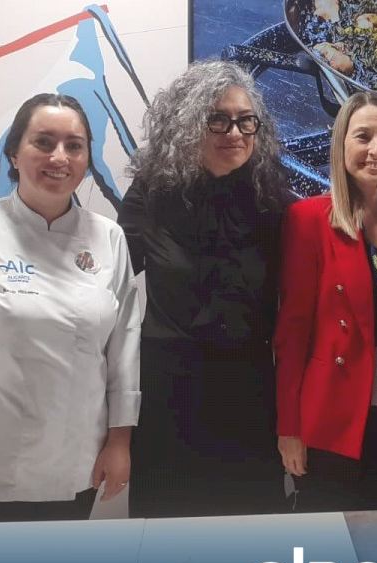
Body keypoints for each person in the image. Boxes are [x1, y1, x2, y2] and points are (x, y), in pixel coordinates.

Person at [0, 93, 140, 523]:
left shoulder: (108, 238)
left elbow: (123, 350)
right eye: (43, 142)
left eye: (74, 145)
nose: (60, 157)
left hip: (76, 462)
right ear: (14, 153)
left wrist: (119, 442)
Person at [118, 60, 291, 517]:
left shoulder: (272, 197)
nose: (234, 132)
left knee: (251, 538)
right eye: (218, 119)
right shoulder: (152, 194)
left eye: (245, 120)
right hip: (168, 395)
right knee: (165, 537)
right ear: (187, 123)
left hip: (249, 393)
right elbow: (102, 286)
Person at [274, 93, 377, 513]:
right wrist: (289, 428)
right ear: (341, 143)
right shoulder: (308, 220)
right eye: (363, 137)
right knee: (328, 546)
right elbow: (292, 333)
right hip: (334, 418)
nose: (376, 150)